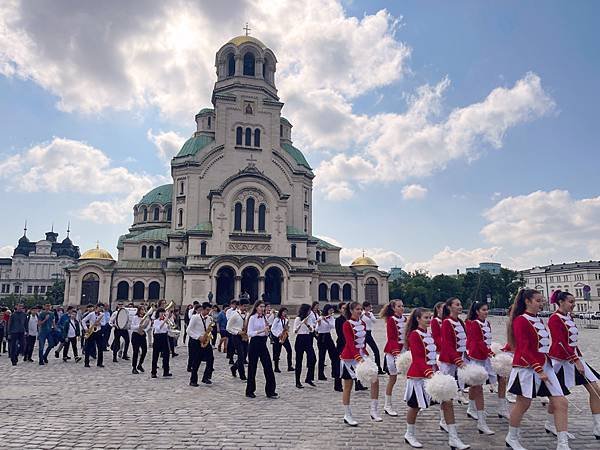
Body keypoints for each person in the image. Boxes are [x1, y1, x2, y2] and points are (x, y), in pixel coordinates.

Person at [505, 289, 569, 450]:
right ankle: (511, 437)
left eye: (542, 301)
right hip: (527, 367)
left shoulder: (538, 319)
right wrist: (538, 368)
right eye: (538, 301)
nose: (542, 304)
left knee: (561, 402)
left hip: (544, 365)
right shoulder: (520, 320)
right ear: (527, 301)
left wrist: (545, 367)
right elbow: (524, 348)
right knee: (523, 404)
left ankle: (562, 444)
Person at [403, 308, 470, 449]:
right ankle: (409, 434)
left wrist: (438, 374)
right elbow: (418, 359)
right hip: (418, 377)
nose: (429, 320)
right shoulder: (414, 335)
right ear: (418, 319)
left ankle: (453, 437)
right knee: (414, 407)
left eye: (429, 317)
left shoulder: (428, 334)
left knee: (448, 403)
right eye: (425, 317)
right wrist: (430, 374)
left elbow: (433, 357)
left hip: (433, 375)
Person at [548, 290, 600, 439]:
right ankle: (550, 423)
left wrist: (578, 357)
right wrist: (576, 360)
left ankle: (597, 427)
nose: (573, 305)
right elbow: (560, 343)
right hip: (560, 360)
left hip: (575, 357)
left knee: (595, 390)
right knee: (558, 395)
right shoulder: (554, 319)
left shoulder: (569, 317)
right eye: (571, 302)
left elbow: (572, 342)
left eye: (574, 302)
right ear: (561, 302)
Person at [339, 301, 381, 426]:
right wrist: (358, 358)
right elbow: (350, 344)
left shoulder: (362, 323)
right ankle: (347, 414)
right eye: (357, 309)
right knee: (348, 386)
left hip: (361, 355)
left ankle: (374, 410)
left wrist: (364, 355)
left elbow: (362, 342)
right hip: (349, 358)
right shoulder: (347, 324)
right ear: (351, 310)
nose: (359, 311)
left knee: (375, 379)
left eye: (360, 309)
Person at [464, 301, 496, 435]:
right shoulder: (474, 324)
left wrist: (489, 352)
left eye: (487, 309)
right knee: (478, 387)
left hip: (485, 357)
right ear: (477, 311)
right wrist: (489, 352)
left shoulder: (487, 323)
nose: (486, 312)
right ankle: (481, 422)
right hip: (477, 357)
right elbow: (477, 341)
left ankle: (472, 408)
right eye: (483, 310)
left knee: (476, 386)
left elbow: (487, 340)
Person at [437, 297, 468, 432]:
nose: (460, 307)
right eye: (457, 304)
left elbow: (463, 342)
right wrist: (457, 360)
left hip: (459, 359)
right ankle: (443, 420)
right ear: (449, 307)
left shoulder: (460, 321)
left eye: (461, 304)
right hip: (449, 361)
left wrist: (465, 355)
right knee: (446, 392)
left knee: (456, 389)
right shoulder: (446, 322)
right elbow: (448, 345)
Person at [245, 300, 277, 398]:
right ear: (256, 307)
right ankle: (250, 391)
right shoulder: (252, 318)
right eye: (261, 307)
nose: (263, 309)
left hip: (263, 343)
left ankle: (270, 390)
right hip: (254, 343)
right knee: (252, 368)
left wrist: (267, 332)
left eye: (264, 307)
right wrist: (261, 330)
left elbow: (266, 332)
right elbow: (249, 333)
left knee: (268, 367)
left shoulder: (264, 318)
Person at [380, 299, 406, 417]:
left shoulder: (405, 319)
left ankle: (414, 402)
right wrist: (397, 354)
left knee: (411, 378)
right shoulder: (391, 320)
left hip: (404, 352)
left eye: (402, 306)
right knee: (393, 379)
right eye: (399, 306)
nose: (402, 308)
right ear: (394, 308)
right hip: (393, 353)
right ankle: (387, 405)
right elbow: (391, 338)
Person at [186, 302, 215, 386]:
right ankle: (193, 380)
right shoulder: (195, 317)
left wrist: (209, 333)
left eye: (209, 310)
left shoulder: (209, 318)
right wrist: (198, 337)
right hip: (196, 341)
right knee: (196, 361)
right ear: (202, 309)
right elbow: (189, 330)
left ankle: (206, 377)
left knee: (210, 359)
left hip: (206, 340)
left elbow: (208, 328)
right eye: (207, 310)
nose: (208, 312)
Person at [294, 303, 317, 389]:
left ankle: (309, 378)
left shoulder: (309, 319)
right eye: (308, 310)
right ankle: (297, 381)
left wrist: (307, 324)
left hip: (307, 339)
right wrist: (300, 324)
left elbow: (312, 330)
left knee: (313, 359)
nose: (310, 312)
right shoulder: (297, 319)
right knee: (299, 361)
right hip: (300, 339)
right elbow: (294, 331)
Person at [227, 298, 248, 380]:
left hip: (245, 335)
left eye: (247, 306)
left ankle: (234, 367)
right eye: (244, 306)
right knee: (241, 355)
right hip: (236, 336)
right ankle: (242, 375)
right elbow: (228, 327)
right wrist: (237, 332)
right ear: (239, 306)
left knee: (244, 355)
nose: (245, 308)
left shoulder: (247, 314)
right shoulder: (234, 315)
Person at [316, 304, 338, 381]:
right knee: (322, 356)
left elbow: (332, 326)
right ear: (326, 310)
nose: (331, 312)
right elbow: (316, 329)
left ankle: (334, 372)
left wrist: (326, 320)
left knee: (334, 355)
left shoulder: (331, 318)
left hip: (328, 336)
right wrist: (319, 323)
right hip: (321, 337)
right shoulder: (320, 317)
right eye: (330, 310)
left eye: (332, 310)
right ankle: (320, 375)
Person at [362, 301, 383, 374]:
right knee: (362, 351)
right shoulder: (361, 314)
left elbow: (375, 321)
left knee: (376, 350)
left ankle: (379, 368)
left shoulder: (370, 314)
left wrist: (370, 316)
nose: (370, 308)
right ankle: (361, 368)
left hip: (369, 333)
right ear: (365, 307)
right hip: (362, 333)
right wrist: (363, 315)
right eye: (369, 306)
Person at [151, 308, 172, 378]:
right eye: (161, 313)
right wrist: (164, 322)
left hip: (164, 337)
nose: (162, 314)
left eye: (163, 313)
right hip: (157, 337)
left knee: (166, 355)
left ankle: (166, 371)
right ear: (158, 313)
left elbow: (167, 329)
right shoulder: (156, 321)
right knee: (155, 355)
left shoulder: (165, 321)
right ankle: (153, 372)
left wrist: (168, 325)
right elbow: (158, 328)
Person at [270, 307, 294, 373]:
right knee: (277, 352)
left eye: (286, 312)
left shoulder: (285, 320)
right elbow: (272, 329)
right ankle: (276, 367)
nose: (285, 313)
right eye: (284, 312)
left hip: (284, 336)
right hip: (277, 337)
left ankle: (290, 366)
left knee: (289, 350)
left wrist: (287, 329)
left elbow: (286, 327)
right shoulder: (277, 319)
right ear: (281, 312)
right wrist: (278, 334)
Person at [130, 305, 150, 374]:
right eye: (141, 310)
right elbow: (132, 326)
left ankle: (140, 364)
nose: (142, 311)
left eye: (143, 310)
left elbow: (148, 326)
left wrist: (144, 330)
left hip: (142, 335)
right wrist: (139, 326)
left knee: (144, 350)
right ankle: (134, 367)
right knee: (135, 352)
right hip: (136, 335)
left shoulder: (146, 318)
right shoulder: (135, 317)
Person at [225, 299, 239, 364]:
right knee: (230, 343)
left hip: (237, 329)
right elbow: (228, 318)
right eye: (233, 304)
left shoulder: (238, 311)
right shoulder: (228, 311)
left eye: (235, 304)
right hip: (230, 328)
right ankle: (230, 356)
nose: (234, 305)